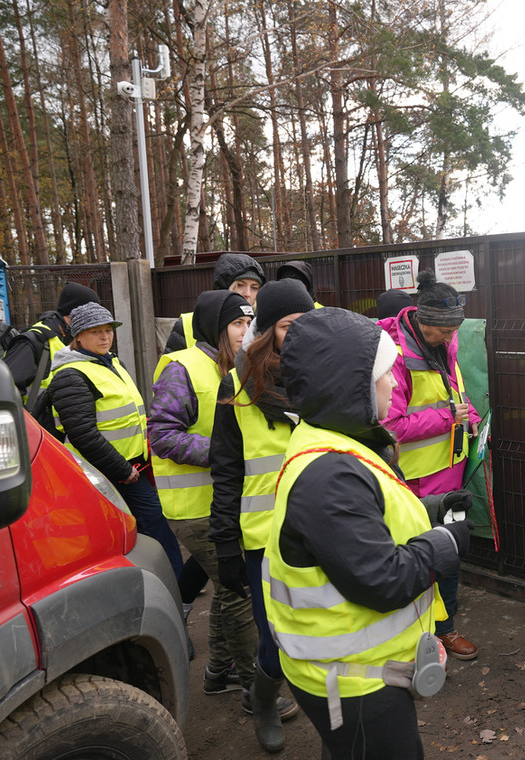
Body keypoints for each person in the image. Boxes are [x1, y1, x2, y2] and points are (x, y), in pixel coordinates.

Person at [265, 306, 471, 759]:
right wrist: (444, 544)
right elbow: (382, 580)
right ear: (350, 384)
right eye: (384, 373)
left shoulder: (338, 444)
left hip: (354, 671)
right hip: (352, 681)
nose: (395, 383)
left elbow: (367, 521)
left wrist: (431, 510)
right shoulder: (331, 472)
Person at [149, 290, 270, 709]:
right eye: (237, 324)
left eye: (248, 323)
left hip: (227, 504)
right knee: (241, 595)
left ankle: (218, 671)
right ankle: (258, 688)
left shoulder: (239, 366)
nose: (245, 332)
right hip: (195, 508)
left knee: (227, 585)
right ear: (216, 329)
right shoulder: (182, 368)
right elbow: (161, 435)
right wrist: (224, 450)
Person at [209, 278, 314, 752]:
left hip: (321, 529)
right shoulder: (237, 387)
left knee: (325, 628)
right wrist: (225, 545)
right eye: (291, 326)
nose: (301, 334)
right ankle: (265, 700)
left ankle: (337, 714)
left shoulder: (325, 375)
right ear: (269, 329)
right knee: (275, 637)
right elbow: (226, 472)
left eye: (308, 324)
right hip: (263, 538)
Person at [378, 269, 481, 661]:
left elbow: (455, 394)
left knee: (450, 553)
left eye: (455, 330)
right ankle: (415, 635)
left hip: (449, 472)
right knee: (417, 557)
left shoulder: (445, 345)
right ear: (422, 320)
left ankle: (447, 628)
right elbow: (391, 425)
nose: (451, 338)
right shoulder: (394, 353)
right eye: (443, 331)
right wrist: (449, 419)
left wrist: (468, 415)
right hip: (413, 481)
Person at [41, 302, 183, 577]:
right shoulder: (71, 375)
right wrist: (123, 470)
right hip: (109, 473)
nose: (105, 336)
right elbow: (83, 433)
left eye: (108, 330)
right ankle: (178, 587)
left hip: (132, 468)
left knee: (143, 530)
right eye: (96, 332)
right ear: (78, 336)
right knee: (152, 525)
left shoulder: (110, 362)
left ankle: (170, 584)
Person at [6, 281, 100, 404]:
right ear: (74, 313)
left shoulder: (72, 339)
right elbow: (5, 392)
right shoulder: (34, 341)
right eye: (91, 314)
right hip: (35, 422)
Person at [165, 253, 264, 352]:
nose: (247, 293)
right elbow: (172, 365)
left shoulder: (263, 324)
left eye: (254, 287)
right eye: (240, 285)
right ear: (222, 288)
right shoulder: (188, 324)